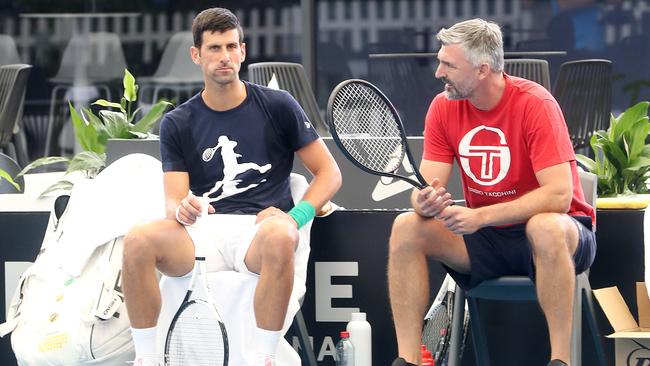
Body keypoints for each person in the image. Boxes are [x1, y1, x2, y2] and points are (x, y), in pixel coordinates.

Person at [121, 7, 341, 366]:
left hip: (258, 229)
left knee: (284, 236)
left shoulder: (278, 105)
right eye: (214, 48)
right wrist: (182, 208)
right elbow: (174, 201)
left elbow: (330, 174)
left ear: (243, 50)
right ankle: (146, 359)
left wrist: (294, 216)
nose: (225, 57)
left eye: (231, 47)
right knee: (137, 241)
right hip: (203, 229)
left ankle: (263, 359)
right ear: (196, 55)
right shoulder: (178, 122)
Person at [388, 19, 595, 366]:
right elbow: (426, 186)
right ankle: (407, 360)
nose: (438, 72)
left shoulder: (535, 104)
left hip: (559, 234)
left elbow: (559, 196)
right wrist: (423, 201)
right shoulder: (443, 107)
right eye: (440, 61)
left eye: (449, 64)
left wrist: (480, 215)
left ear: (483, 69)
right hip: (487, 239)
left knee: (543, 226)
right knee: (407, 227)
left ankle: (561, 361)